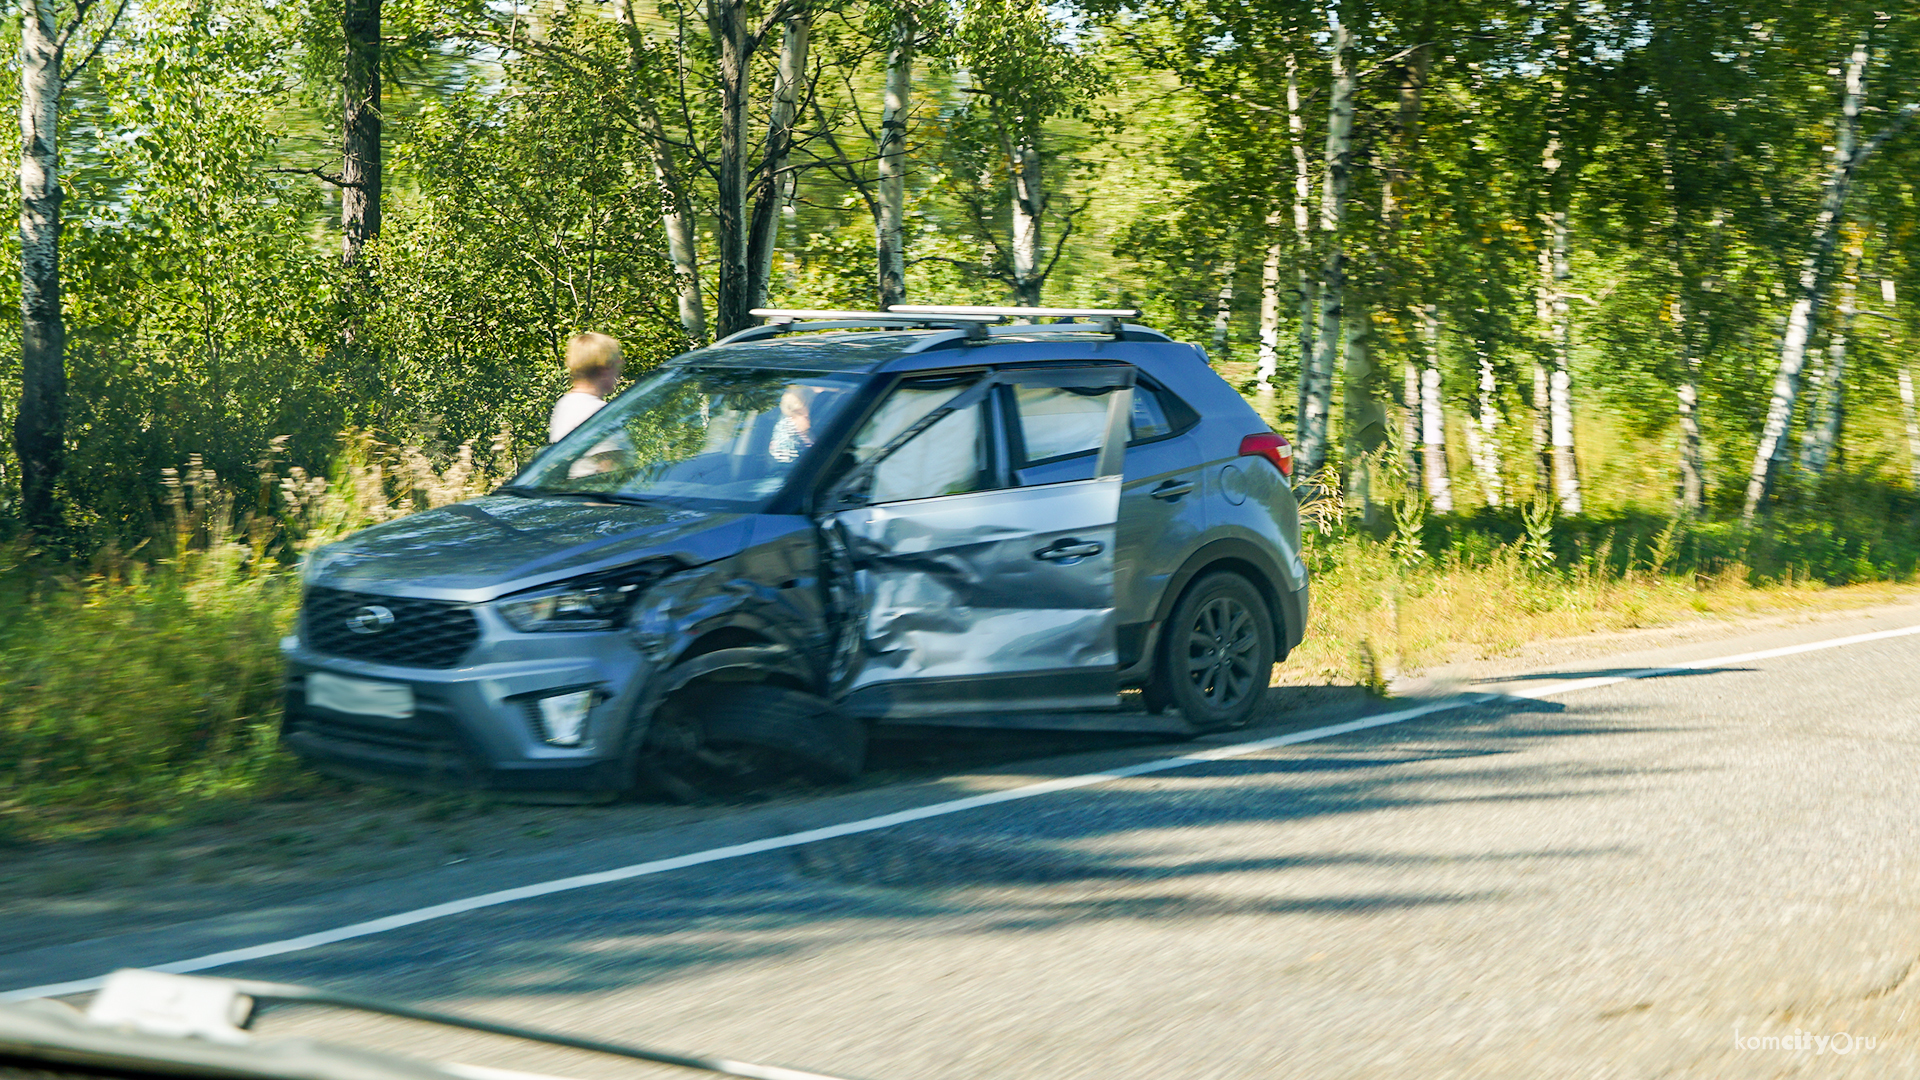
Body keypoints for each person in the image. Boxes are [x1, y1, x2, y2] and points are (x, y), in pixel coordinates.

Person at [549, 332, 624, 443]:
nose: (619, 372)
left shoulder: (565, 405)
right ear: (604, 369)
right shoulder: (599, 413)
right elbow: (608, 460)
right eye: (617, 364)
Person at [769, 384, 816, 463]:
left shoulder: (799, 428)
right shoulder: (786, 437)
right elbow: (787, 464)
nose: (808, 412)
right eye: (809, 404)